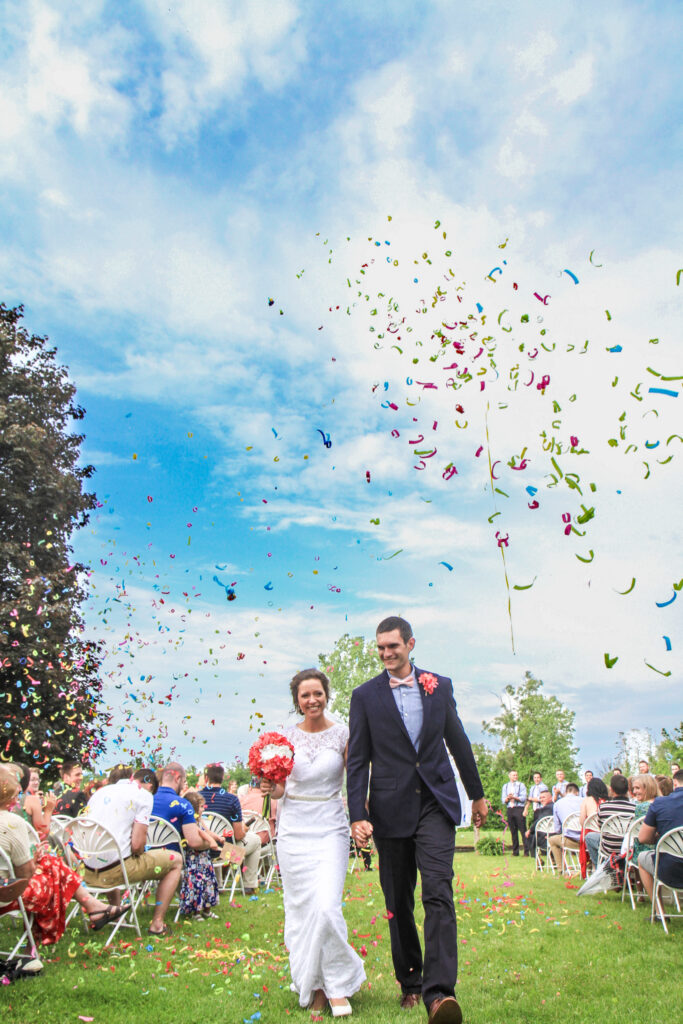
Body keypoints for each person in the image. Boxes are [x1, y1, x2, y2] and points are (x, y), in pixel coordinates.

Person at [347, 616, 487, 1024]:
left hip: (436, 803)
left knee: (438, 891)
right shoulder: (365, 697)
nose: (387, 654)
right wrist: (358, 814)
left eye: (394, 646)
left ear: (410, 644)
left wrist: (477, 794)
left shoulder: (439, 686)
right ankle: (410, 982)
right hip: (389, 810)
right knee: (398, 900)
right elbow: (357, 761)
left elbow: (458, 740)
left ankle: (440, 994)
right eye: (381, 648)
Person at [261, 668, 365, 1018]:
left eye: (317, 693)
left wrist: (362, 818)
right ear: (297, 701)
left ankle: (338, 984)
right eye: (305, 695)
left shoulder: (343, 735)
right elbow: (278, 789)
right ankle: (317, 986)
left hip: (330, 829)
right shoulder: (283, 738)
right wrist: (267, 785)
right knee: (303, 912)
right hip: (293, 831)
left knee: (326, 906)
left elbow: (356, 781)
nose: (312, 700)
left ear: (326, 695)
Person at [0, 767, 124, 944]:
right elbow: (24, 874)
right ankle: (32, 948)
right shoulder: (11, 823)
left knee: (50, 863)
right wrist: (34, 860)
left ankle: (93, 907)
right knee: (51, 876)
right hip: (5, 896)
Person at [83, 766, 182, 937]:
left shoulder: (100, 792)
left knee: (111, 852)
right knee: (176, 860)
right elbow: (137, 846)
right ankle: (157, 924)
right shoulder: (143, 795)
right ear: (150, 786)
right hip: (116, 870)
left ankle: (116, 915)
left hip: (89, 871)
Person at [199, 764, 261, 893]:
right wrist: (244, 829)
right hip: (225, 854)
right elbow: (238, 836)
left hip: (201, 851)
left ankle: (218, 884)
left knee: (217, 841)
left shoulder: (195, 798)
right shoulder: (231, 799)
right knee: (256, 840)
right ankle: (249, 884)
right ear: (223, 778)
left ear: (206, 778)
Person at [638, 768, 683, 901]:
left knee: (642, 858)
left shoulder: (660, 803)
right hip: (672, 867)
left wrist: (663, 839)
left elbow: (643, 838)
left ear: (674, 783)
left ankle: (659, 912)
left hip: (671, 870)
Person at [179, 790, 221, 920]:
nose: (204, 809)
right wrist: (212, 841)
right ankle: (196, 912)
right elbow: (201, 833)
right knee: (196, 886)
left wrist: (218, 837)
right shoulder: (190, 822)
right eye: (201, 806)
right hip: (194, 861)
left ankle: (207, 910)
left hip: (205, 859)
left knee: (208, 883)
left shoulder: (200, 820)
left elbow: (207, 831)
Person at [584, 774, 635, 867]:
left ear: (611, 789)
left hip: (609, 848)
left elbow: (601, 828)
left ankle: (599, 868)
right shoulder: (634, 808)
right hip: (628, 847)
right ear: (628, 789)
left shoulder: (604, 807)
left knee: (589, 837)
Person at [548, 783, 582, 871]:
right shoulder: (583, 801)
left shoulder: (558, 804)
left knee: (552, 840)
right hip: (585, 840)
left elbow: (557, 828)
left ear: (566, 792)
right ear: (577, 792)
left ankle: (561, 869)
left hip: (569, 840)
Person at [501, 770, 528, 856]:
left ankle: (526, 851)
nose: (515, 777)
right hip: (510, 808)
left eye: (516, 775)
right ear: (509, 776)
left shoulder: (521, 785)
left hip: (519, 808)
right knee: (513, 830)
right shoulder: (505, 786)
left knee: (523, 830)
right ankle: (515, 851)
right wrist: (508, 798)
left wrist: (514, 797)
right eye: (513, 775)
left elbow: (523, 798)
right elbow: (503, 800)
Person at [525, 790, 553, 860]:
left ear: (550, 798)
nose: (542, 800)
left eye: (544, 797)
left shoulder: (547, 808)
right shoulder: (555, 806)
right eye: (540, 798)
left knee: (529, 835)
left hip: (548, 836)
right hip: (556, 835)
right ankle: (552, 859)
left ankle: (537, 859)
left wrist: (530, 830)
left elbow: (539, 821)